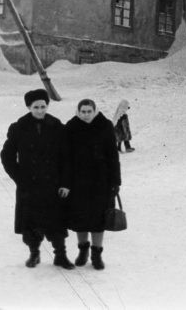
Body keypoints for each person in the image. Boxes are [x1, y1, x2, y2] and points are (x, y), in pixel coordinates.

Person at [0, 89, 74, 269]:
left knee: (56, 221)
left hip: (53, 184)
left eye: (43, 106)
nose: (40, 110)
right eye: (36, 107)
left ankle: (61, 255)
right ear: (28, 107)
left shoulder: (57, 126)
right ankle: (34, 254)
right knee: (30, 222)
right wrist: (19, 177)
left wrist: (65, 182)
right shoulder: (19, 127)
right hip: (29, 185)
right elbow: (7, 155)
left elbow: (67, 157)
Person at [66, 99, 121, 270]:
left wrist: (115, 181)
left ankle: (97, 254)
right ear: (78, 111)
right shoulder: (71, 127)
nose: (86, 115)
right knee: (80, 218)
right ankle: (83, 251)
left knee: (98, 219)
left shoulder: (105, 126)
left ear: (95, 111)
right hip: (78, 182)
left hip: (101, 182)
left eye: (89, 111)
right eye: (83, 111)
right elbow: (65, 157)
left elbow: (113, 156)